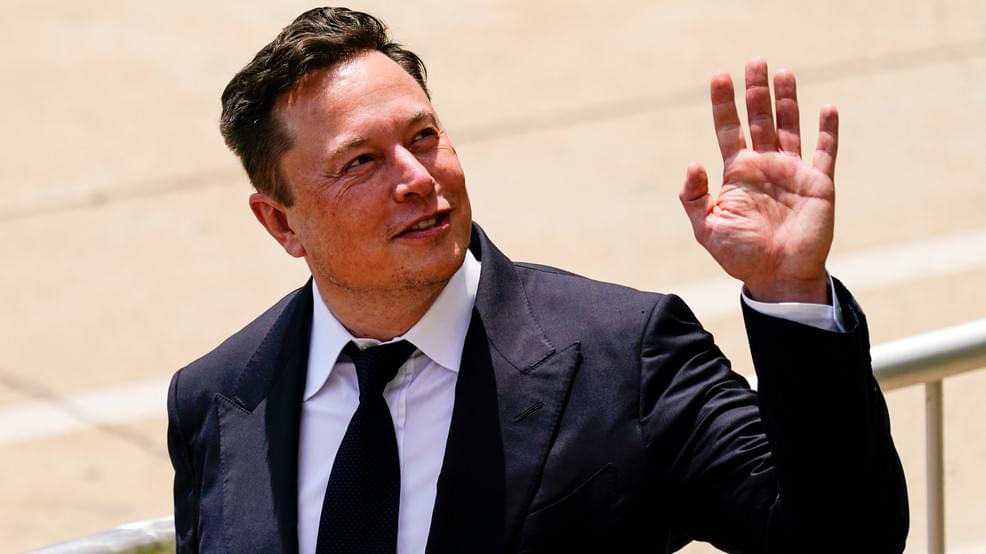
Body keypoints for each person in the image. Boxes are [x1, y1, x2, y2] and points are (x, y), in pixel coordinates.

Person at [166, 7, 908, 554]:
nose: (418, 177)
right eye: (361, 161)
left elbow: (842, 540)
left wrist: (788, 294)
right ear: (281, 223)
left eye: (424, 136)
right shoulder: (215, 398)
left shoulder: (624, 354)